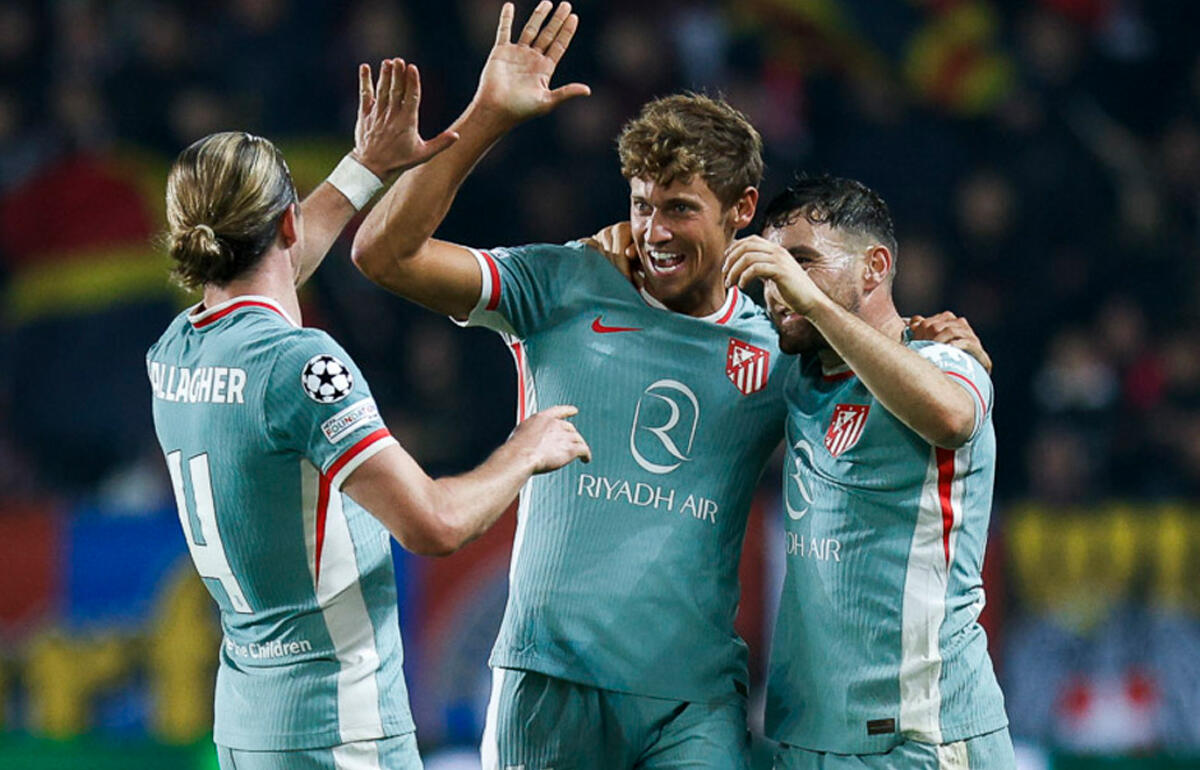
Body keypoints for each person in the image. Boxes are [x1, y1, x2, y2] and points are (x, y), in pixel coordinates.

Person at [351, 4, 989, 768]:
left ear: (742, 210)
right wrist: (487, 117)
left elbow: (874, 347)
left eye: (680, 209)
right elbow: (383, 256)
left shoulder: (780, 341)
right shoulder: (561, 282)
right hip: (549, 679)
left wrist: (925, 336)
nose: (654, 231)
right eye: (642, 205)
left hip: (696, 701)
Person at [148, 58, 591, 770]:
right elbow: (434, 524)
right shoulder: (299, 364)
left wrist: (367, 167)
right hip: (339, 729)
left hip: (248, 726)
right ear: (286, 223)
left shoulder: (176, 349)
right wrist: (526, 448)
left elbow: (270, 275)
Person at [723, 175, 1013, 769]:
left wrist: (815, 304)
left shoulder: (944, 360)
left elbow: (953, 416)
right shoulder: (796, 375)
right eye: (773, 269)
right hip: (807, 736)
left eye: (803, 262)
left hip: (923, 736)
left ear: (875, 267)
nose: (780, 286)